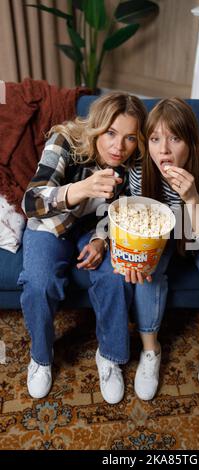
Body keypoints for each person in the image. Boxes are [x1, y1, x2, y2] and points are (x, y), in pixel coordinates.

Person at [18, 92, 147, 404]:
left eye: (130, 138)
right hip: (50, 225)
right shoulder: (65, 140)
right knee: (39, 283)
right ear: (97, 127)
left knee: (116, 276)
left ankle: (111, 356)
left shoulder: (134, 163)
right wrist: (79, 189)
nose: (119, 147)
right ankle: (41, 356)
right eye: (111, 134)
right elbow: (30, 203)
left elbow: (122, 212)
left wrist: (102, 239)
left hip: (90, 230)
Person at [127, 97, 199, 400]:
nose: (163, 149)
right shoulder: (140, 171)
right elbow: (144, 229)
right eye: (155, 139)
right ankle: (151, 351)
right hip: (162, 229)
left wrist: (191, 198)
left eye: (174, 138)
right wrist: (141, 257)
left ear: (190, 141)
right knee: (146, 272)